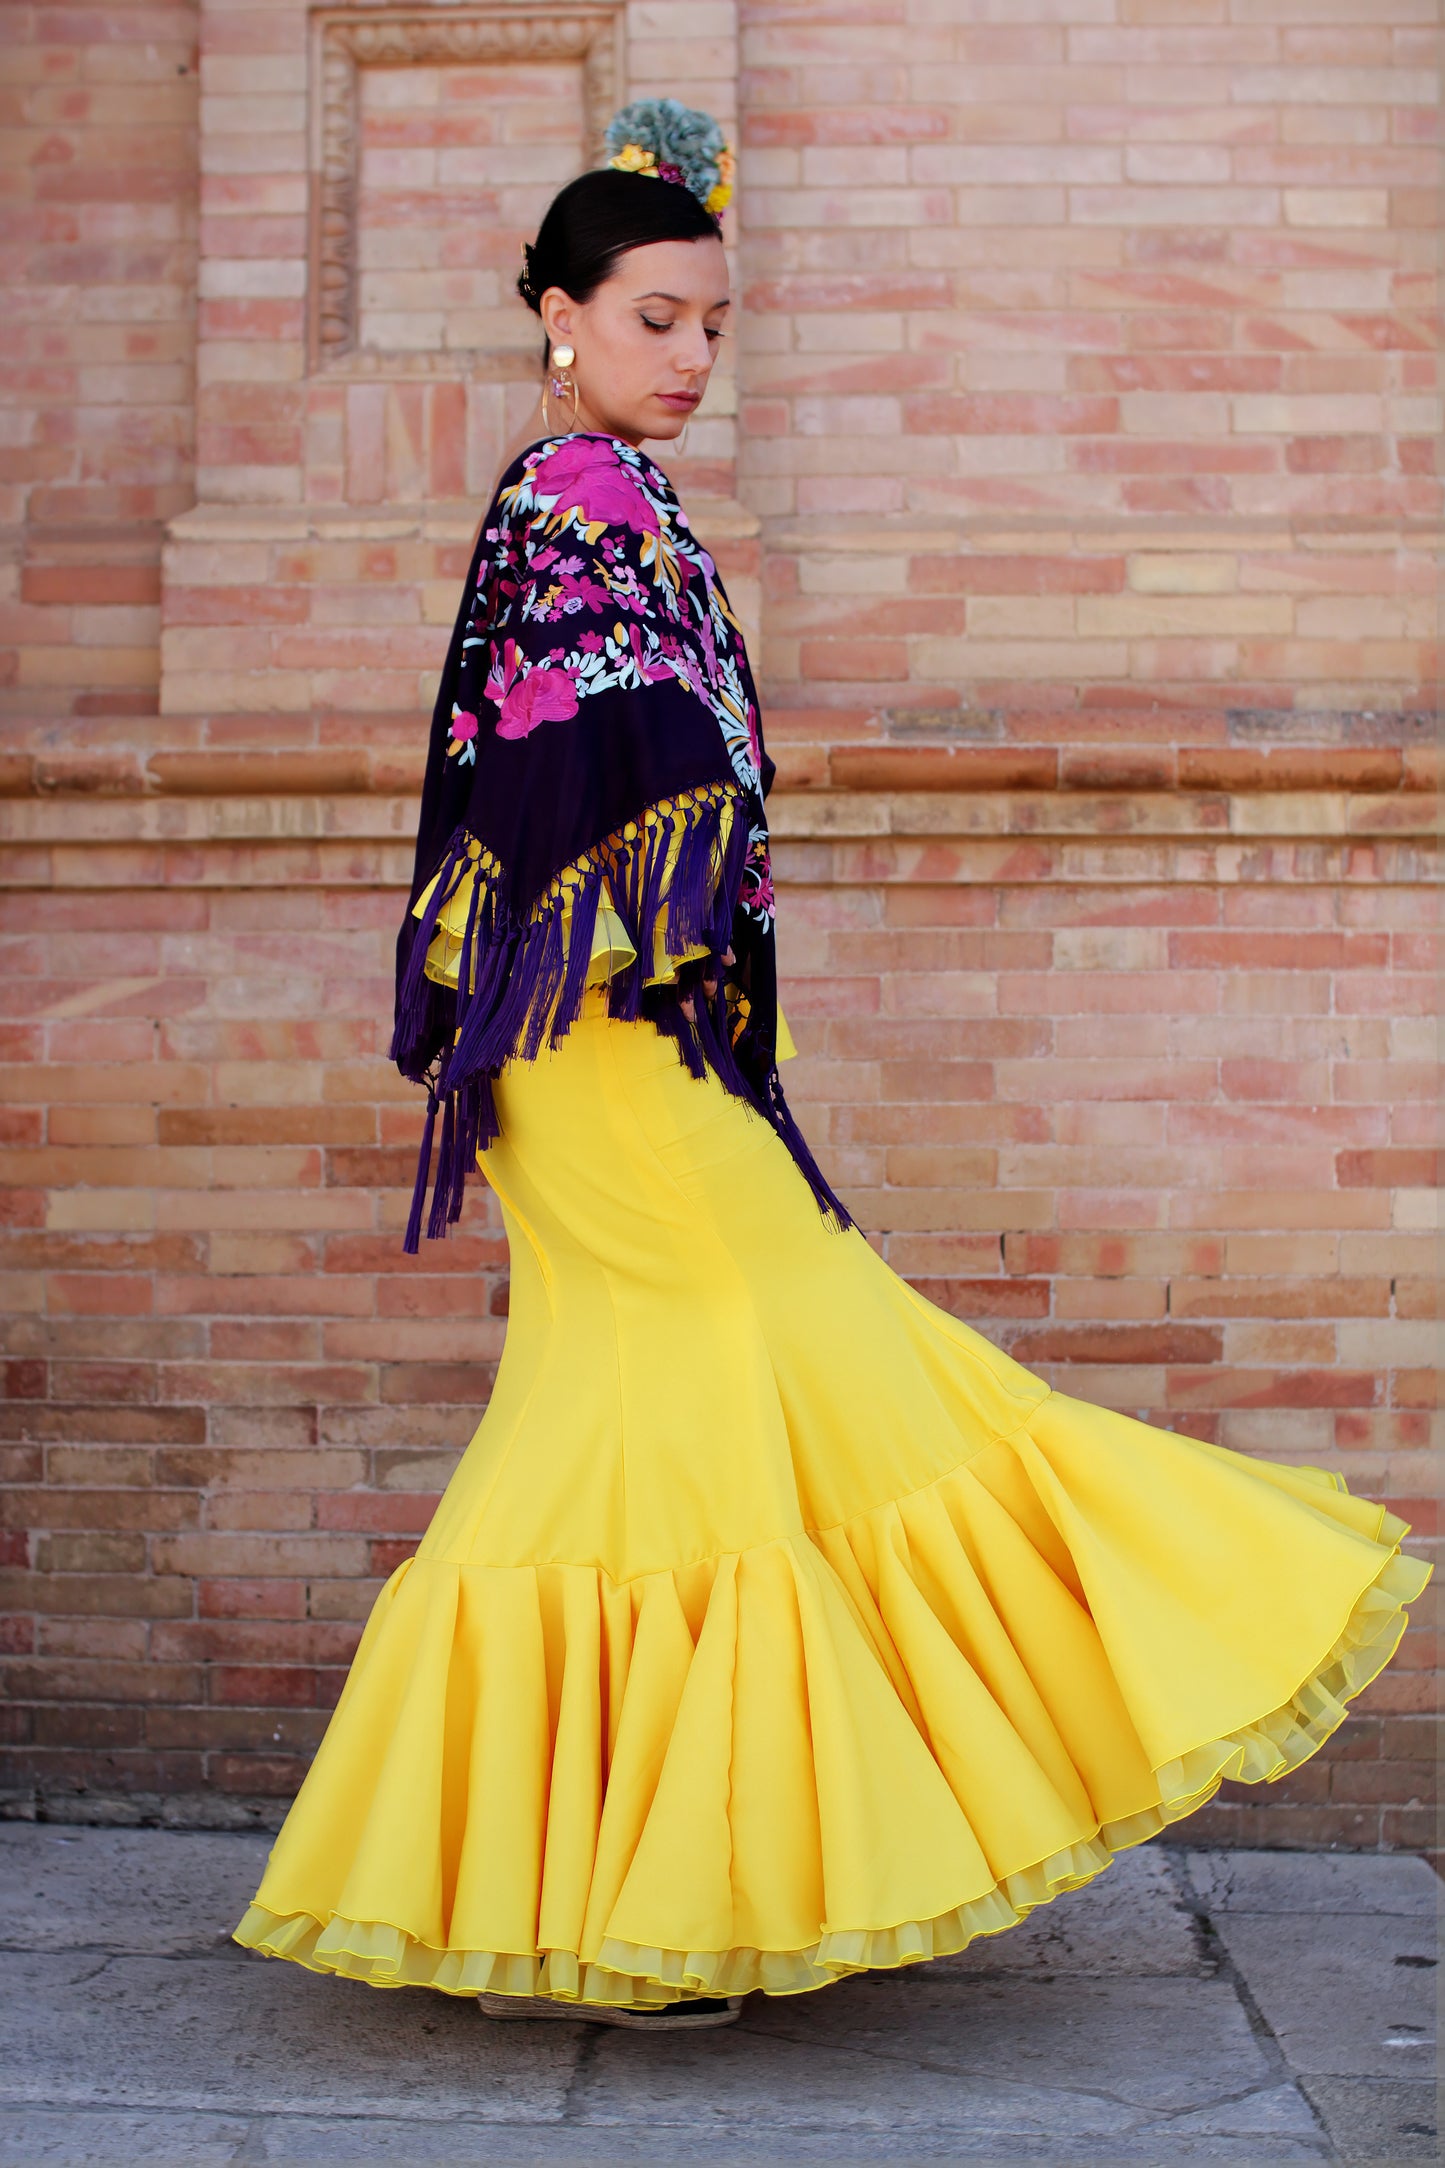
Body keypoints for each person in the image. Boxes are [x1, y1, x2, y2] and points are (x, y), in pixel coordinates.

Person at [234, 101, 1429, 2033]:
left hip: (588, 1040)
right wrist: (662, 942)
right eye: (654, 319)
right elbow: (600, 766)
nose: (691, 356)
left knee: (626, 1425)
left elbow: (593, 768)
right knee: (803, 1371)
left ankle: (579, 1887)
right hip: (614, 1043)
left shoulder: (598, 498)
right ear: (558, 315)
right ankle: (678, 1883)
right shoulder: (582, 501)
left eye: (713, 325)